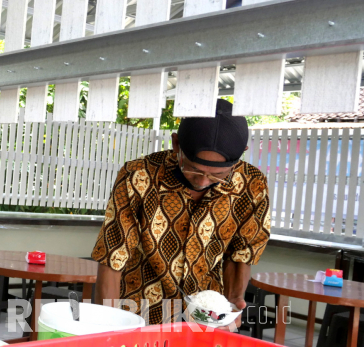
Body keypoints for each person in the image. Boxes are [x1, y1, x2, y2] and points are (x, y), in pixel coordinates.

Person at [91, 99, 270, 325]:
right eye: (193, 169)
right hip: (138, 313)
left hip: (206, 316)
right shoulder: (138, 176)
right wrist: (107, 325)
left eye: (218, 175)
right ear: (176, 144)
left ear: (241, 155)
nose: (204, 181)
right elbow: (113, 255)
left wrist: (234, 298)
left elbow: (242, 252)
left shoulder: (252, 184)